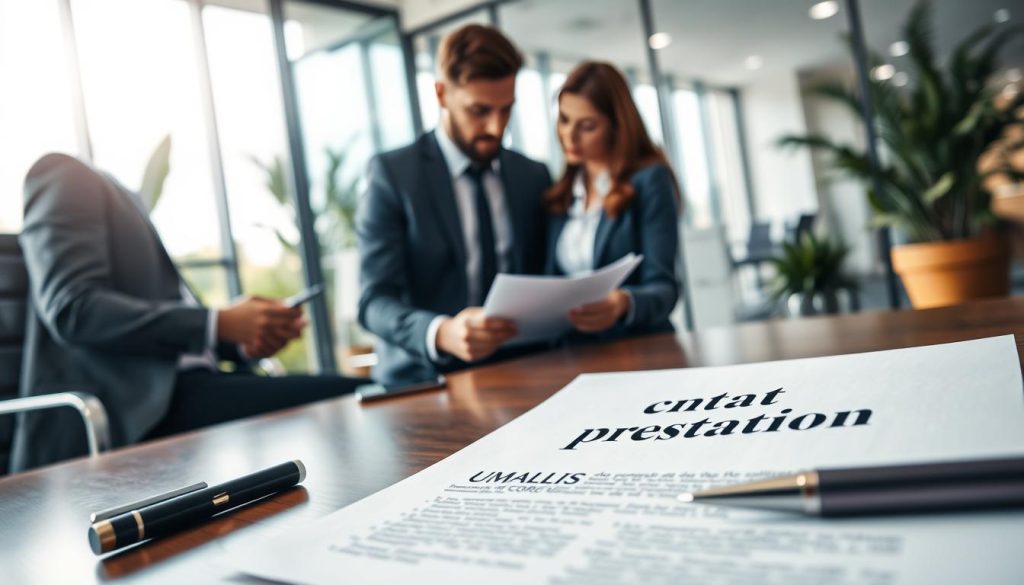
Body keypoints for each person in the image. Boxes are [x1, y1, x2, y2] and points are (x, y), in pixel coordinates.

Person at [12, 153, 364, 472]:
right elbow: (72, 308)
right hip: (133, 413)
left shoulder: (122, 197)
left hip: (190, 392)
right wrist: (219, 323)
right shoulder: (61, 174)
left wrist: (240, 339)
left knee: (367, 398)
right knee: (364, 396)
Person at [358, 24, 551, 385]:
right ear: (442, 94)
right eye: (479, 110)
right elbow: (373, 301)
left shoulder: (532, 176)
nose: (496, 127)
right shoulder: (393, 175)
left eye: (506, 110)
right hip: (426, 378)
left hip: (522, 370)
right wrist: (441, 332)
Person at [545, 61, 681, 341]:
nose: (569, 136)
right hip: (573, 352)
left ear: (616, 126)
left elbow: (664, 289)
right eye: (564, 120)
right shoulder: (561, 193)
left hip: (639, 347)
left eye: (587, 126)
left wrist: (623, 303)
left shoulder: (649, 180)